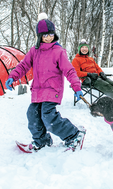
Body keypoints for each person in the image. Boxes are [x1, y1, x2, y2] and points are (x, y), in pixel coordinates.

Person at [5, 13, 86, 152]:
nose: (48, 37)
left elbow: (69, 70)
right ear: (39, 37)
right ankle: (42, 141)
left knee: (48, 117)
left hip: (53, 90)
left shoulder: (58, 52)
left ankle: (74, 135)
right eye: (45, 35)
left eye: (51, 34)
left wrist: (76, 87)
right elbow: (24, 65)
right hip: (37, 90)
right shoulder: (34, 51)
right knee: (32, 115)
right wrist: (13, 76)